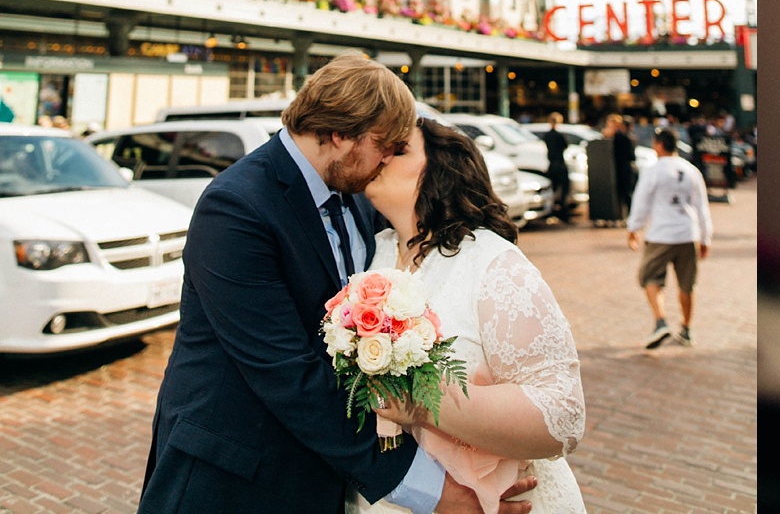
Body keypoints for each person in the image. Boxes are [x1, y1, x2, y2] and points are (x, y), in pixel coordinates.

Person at [139, 54, 535, 514]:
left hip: (322, 477)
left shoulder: (357, 198)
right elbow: (287, 371)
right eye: (383, 143)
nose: (387, 157)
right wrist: (434, 492)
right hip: (232, 477)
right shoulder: (236, 207)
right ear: (341, 134)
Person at [357, 118, 589, 513]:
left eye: (400, 150)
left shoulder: (493, 264)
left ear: (441, 171)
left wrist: (419, 402)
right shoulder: (372, 257)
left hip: (496, 496)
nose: (380, 155)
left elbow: (562, 415)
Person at [627, 128, 712, 349]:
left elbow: (641, 201)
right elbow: (701, 206)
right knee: (687, 284)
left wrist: (633, 228)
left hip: (661, 234)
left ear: (658, 144)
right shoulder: (691, 171)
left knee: (649, 276)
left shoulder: (653, 170)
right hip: (688, 232)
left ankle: (660, 321)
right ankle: (686, 328)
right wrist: (705, 237)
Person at [537, 112, 572, 221]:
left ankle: (552, 211)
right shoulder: (559, 135)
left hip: (552, 164)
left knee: (553, 189)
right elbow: (565, 146)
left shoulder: (547, 135)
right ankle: (563, 212)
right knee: (564, 189)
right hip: (559, 163)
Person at [601, 115, 635, 224]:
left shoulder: (622, 137)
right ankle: (619, 216)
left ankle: (628, 216)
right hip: (614, 169)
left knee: (626, 193)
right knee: (620, 194)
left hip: (622, 169)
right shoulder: (614, 137)